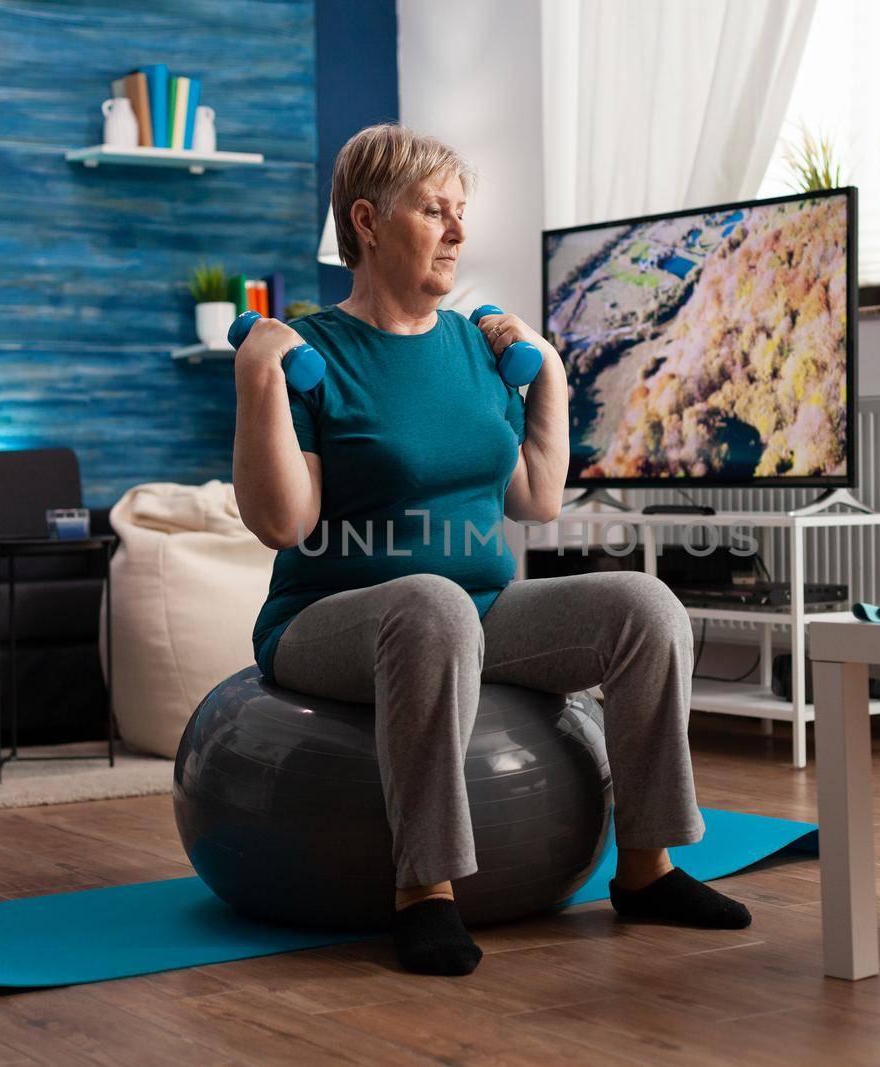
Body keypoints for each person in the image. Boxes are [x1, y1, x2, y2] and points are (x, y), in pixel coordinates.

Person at [233, 123, 749, 977]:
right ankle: (425, 890)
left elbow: (536, 499)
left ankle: (649, 865)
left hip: (479, 611)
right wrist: (259, 374)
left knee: (645, 607)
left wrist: (545, 367)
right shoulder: (316, 351)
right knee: (431, 603)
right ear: (367, 221)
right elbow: (285, 525)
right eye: (435, 210)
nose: (459, 231)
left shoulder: (475, 348)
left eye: (461, 211)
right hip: (329, 620)